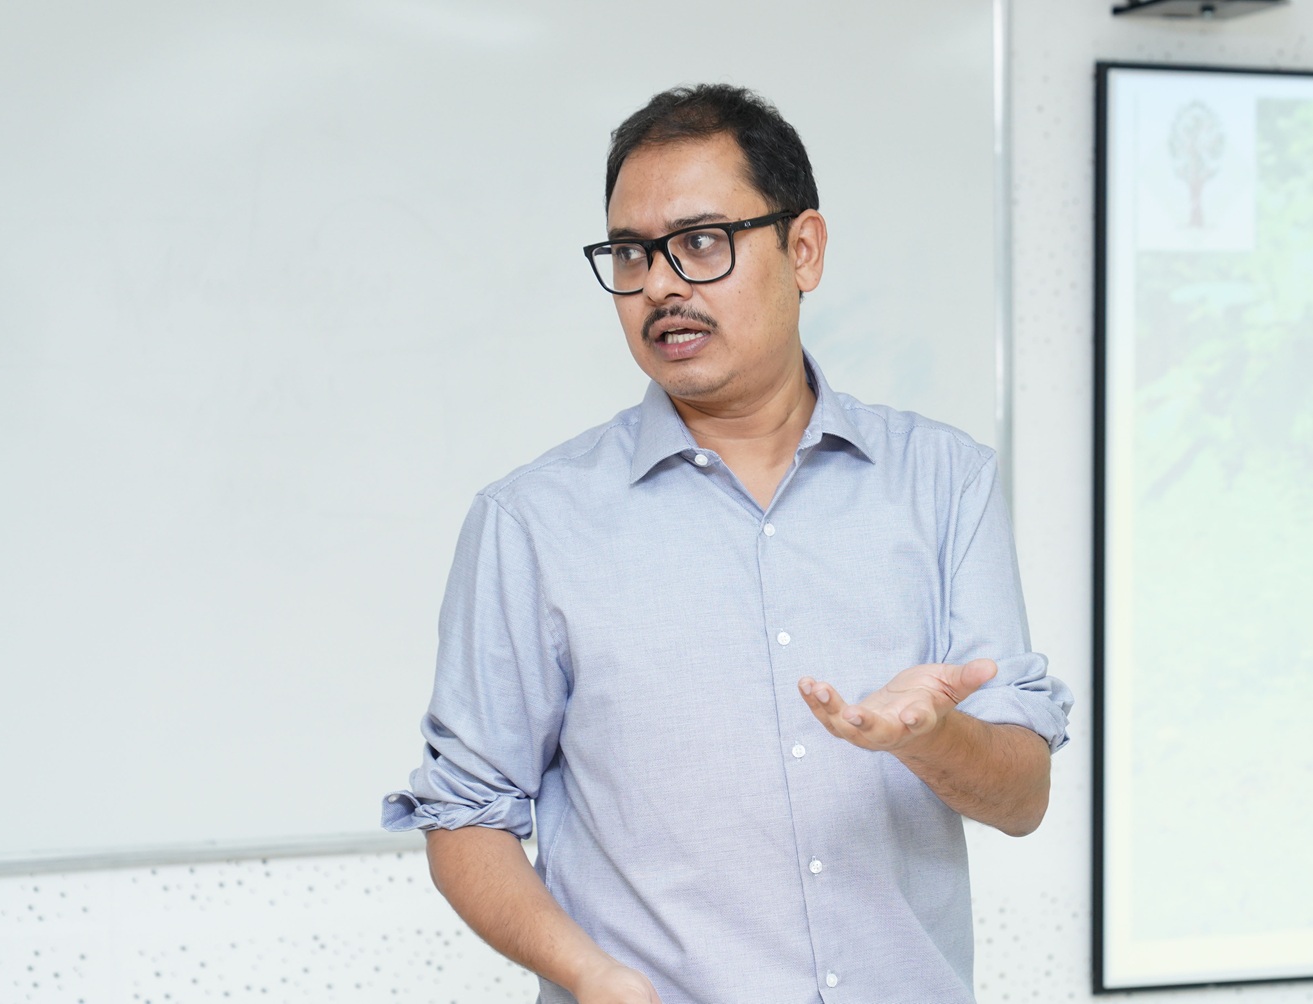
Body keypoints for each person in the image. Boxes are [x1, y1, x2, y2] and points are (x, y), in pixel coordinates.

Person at [383, 83, 1072, 1004]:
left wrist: (932, 735)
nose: (660, 284)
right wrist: (590, 977)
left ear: (804, 249)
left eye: (701, 243)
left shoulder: (944, 484)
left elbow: (1021, 800)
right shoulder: (533, 525)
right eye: (630, 254)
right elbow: (466, 815)